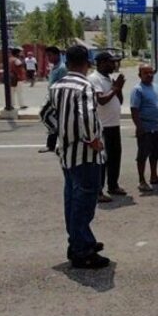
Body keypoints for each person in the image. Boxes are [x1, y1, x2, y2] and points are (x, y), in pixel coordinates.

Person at [49, 45, 109, 270]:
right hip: (85, 154)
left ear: (67, 63)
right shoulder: (85, 86)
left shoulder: (57, 86)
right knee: (84, 202)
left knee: (72, 199)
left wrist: (61, 131)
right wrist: (92, 139)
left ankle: (79, 241)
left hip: (66, 153)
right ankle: (81, 249)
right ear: (87, 63)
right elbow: (87, 116)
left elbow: (46, 114)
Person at [88, 51, 126, 201]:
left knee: (115, 156)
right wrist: (115, 88)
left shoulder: (109, 79)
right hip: (102, 125)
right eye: (111, 62)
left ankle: (113, 185)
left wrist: (118, 88)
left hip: (114, 124)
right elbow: (101, 100)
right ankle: (98, 191)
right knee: (102, 159)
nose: (114, 65)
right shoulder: (94, 78)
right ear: (102, 63)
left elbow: (119, 100)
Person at [130, 63, 158, 190]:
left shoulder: (156, 87)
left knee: (155, 154)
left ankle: (154, 177)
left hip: (157, 127)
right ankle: (142, 181)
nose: (149, 75)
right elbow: (134, 110)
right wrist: (139, 127)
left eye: (151, 72)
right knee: (142, 155)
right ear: (139, 75)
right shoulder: (137, 90)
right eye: (146, 73)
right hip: (145, 127)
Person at [40, 46, 67, 153]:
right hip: (52, 95)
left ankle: (59, 138)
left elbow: (64, 84)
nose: (49, 58)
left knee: (44, 115)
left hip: (57, 98)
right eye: (47, 56)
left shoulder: (62, 68)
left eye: (50, 55)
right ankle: (51, 144)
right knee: (53, 120)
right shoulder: (55, 67)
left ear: (57, 55)